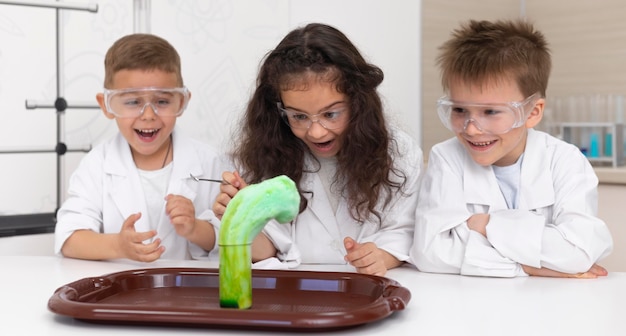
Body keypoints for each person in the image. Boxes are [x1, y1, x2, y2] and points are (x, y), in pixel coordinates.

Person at [212, 23, 423, 276]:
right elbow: (266, 251)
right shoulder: (261, 157)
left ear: (358, 102)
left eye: (331, 114)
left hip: (367, 289)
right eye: (298, 116)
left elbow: (404, 230)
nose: (316, 132)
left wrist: (382, 256)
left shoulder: (400, 153)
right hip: (293, 295)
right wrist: (242, 218)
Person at [409, 19, 613, 278]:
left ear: (533, 112)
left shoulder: (565, 160)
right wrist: (531, 266)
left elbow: (579, 252)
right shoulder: (446, 157)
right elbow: (431, 253)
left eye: (491, 111)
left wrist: (486, 225)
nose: (471, 128)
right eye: (459, 110)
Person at [54, 33, 225, 262]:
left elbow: (236, 240)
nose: (147, 116)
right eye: (132, 102)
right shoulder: (97, 165)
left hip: (188, 291)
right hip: (122, 291)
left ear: (182, 102)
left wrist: (195, 229)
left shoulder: (211, 164)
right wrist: (118, 246)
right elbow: (69, 239)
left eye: (162, 101)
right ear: (106, 105)